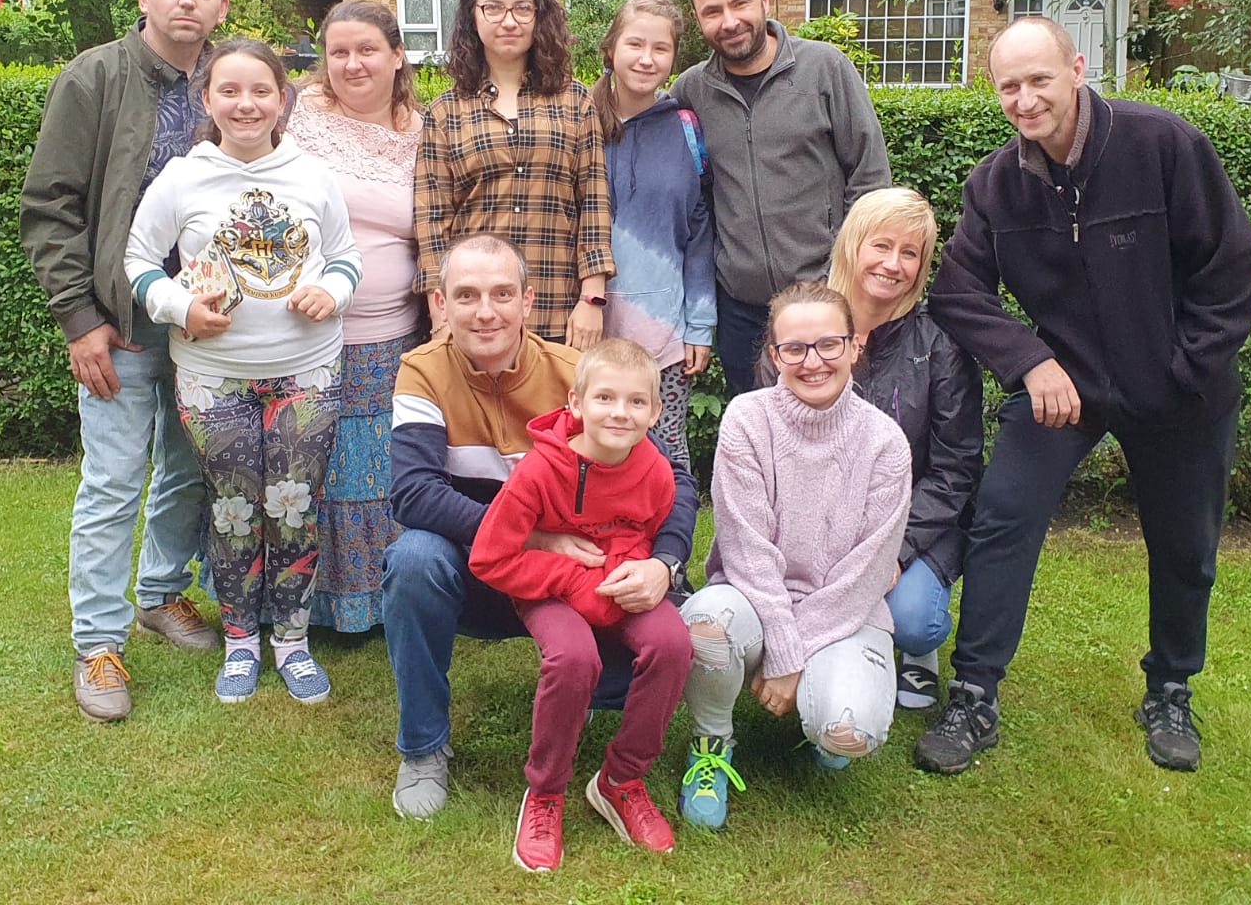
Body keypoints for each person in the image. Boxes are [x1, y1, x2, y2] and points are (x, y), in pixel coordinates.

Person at [917, 16, 1251, 776]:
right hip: (1064, 389)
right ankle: (975, 693)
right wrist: (1030, 362)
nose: (1025, 99)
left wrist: (1183, 371)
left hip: (1179, 392)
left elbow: (1231, 267)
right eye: (1009, 86)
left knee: (1186, 545)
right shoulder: (995, 186)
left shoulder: (1163, 145)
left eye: (1039, 79)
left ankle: (1170, 688)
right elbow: (959, 292)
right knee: (1002, 515)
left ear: (1077, 70)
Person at [383, 234, 699, 821]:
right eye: (467, 295)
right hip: (479, 570)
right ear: (441, 304)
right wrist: (527, 536)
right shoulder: (421, 373)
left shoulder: (579, 376)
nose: (486, 312)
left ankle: (604, 704)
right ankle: (424, 746)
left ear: (528, 301)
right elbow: (413, 493)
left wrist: (665, 563)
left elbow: (674, 479)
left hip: (578, 579)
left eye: (502, 294)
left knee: (660, 632)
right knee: (414, 560)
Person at [20, 0, 228, 722]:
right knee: (113, 479)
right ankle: (98, 644)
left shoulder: (234, 80)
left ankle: (162, 593)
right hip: (121, 324)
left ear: (221, 5)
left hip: (210, 327)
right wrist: (80, 318)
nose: (186, 0)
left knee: (188, 469)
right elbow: (50, 207)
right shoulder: (95, 77)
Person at [124, 39, 363, 705]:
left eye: (261, 90)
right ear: (207, 100)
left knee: (294, 509)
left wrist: (332, 292)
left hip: (306, 373)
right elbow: (139, 260)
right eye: (229, 91)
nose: (246, 104)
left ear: (283, 99)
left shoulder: (313, 175)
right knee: (232, 511)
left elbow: (345, 256)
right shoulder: (182, 178)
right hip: (212, 378)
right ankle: (239, 643)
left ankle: (291, 642)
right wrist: (178, 307)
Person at [677, 281, 912, 831]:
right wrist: (782, 650)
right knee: (705, 625)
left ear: (855, 346)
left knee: (847, 732)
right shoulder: (746, 420)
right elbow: (747, 551)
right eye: (795, 348)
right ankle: (711, 744)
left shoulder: (885, 443)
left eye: (829, 344)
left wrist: (792, 654)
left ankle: (823, 721)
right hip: (752, 600)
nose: (813, 362)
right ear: (774, 354)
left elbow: (867, 573)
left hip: (846, 613)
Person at [470, 338, 692, 872]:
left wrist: (632, 569)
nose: (620, 413)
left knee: (672, 643)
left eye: (636, 402)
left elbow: (644, 531)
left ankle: (621, 779)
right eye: (605, 398)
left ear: (656, 413)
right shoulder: (539, 471)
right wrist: (573, 580)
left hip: (614, 585)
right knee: (574, 658)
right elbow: (490, 558)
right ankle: (545, 792)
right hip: (547, 587)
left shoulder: (656, 471)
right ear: (576, 403)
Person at [671, 0, 890, 395]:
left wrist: (849, 280)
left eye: (740, 3)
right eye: (712, 12)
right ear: (698, 19)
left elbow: (869, 179)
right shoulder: (692, 90)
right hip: (742, 312)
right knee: (757, 427)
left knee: (833, 423)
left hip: (825, 300)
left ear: (765, 0)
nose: (729, 21)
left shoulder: (824, 69)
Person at [287, 0, 424, 631]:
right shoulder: (294, 118)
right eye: (338, 52)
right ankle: (299, 602)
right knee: (308, 466)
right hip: (302, 334)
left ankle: (377, 600)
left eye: (367, 49)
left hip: (393, 337)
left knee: (375, 468)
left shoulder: (426, 131)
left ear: (398, 55)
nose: (352, 64)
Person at [827, 187, 984, 709]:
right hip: (824, 516)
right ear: (853, 244)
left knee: (913, 619)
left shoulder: (939, 345)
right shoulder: (808, 323)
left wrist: (894, 550)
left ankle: (918, 651)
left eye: (910, 253)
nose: (893, 265)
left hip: (915, 524)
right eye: (882, 245)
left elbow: (955, 469)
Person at [414, 0, 613, 348]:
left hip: (557, 306)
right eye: (493, 8)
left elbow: (593, 202)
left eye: (523, 8)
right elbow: (432, 222)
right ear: (472, 15)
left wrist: (592, 298)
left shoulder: (575, 101)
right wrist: (441, 317)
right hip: (476, 315)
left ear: (540, 15)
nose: (509, 21)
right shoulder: (445, 112)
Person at [592, 0, 715, 470]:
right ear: (611, 49)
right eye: (635, 44)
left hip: (663, 331)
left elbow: (699, 228)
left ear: (673, 59)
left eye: (660, 48)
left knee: (663, 459)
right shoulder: (580, 120)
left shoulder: (686, 127)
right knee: (591, 457)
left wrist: (700, 324)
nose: (646, 59)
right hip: (586, 326)